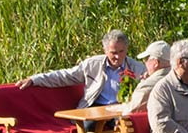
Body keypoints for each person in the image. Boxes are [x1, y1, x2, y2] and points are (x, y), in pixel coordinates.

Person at [16, 28, 146, 108]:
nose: (117, 57)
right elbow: (65, 76)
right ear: (105, 50)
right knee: (88, 127)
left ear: (127, 49)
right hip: (94, 107)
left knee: (126, 128)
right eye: (113, 53)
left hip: (123, 109)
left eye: (121, 52)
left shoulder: (137, 68)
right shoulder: (92, 64)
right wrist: (35, 79)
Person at [124, 40, 171, 113]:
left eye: (146, 59)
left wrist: (144, 81)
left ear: (155, 63)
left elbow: (131, 111)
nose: (145, 63)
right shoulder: (182, 78)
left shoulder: (148, 85)